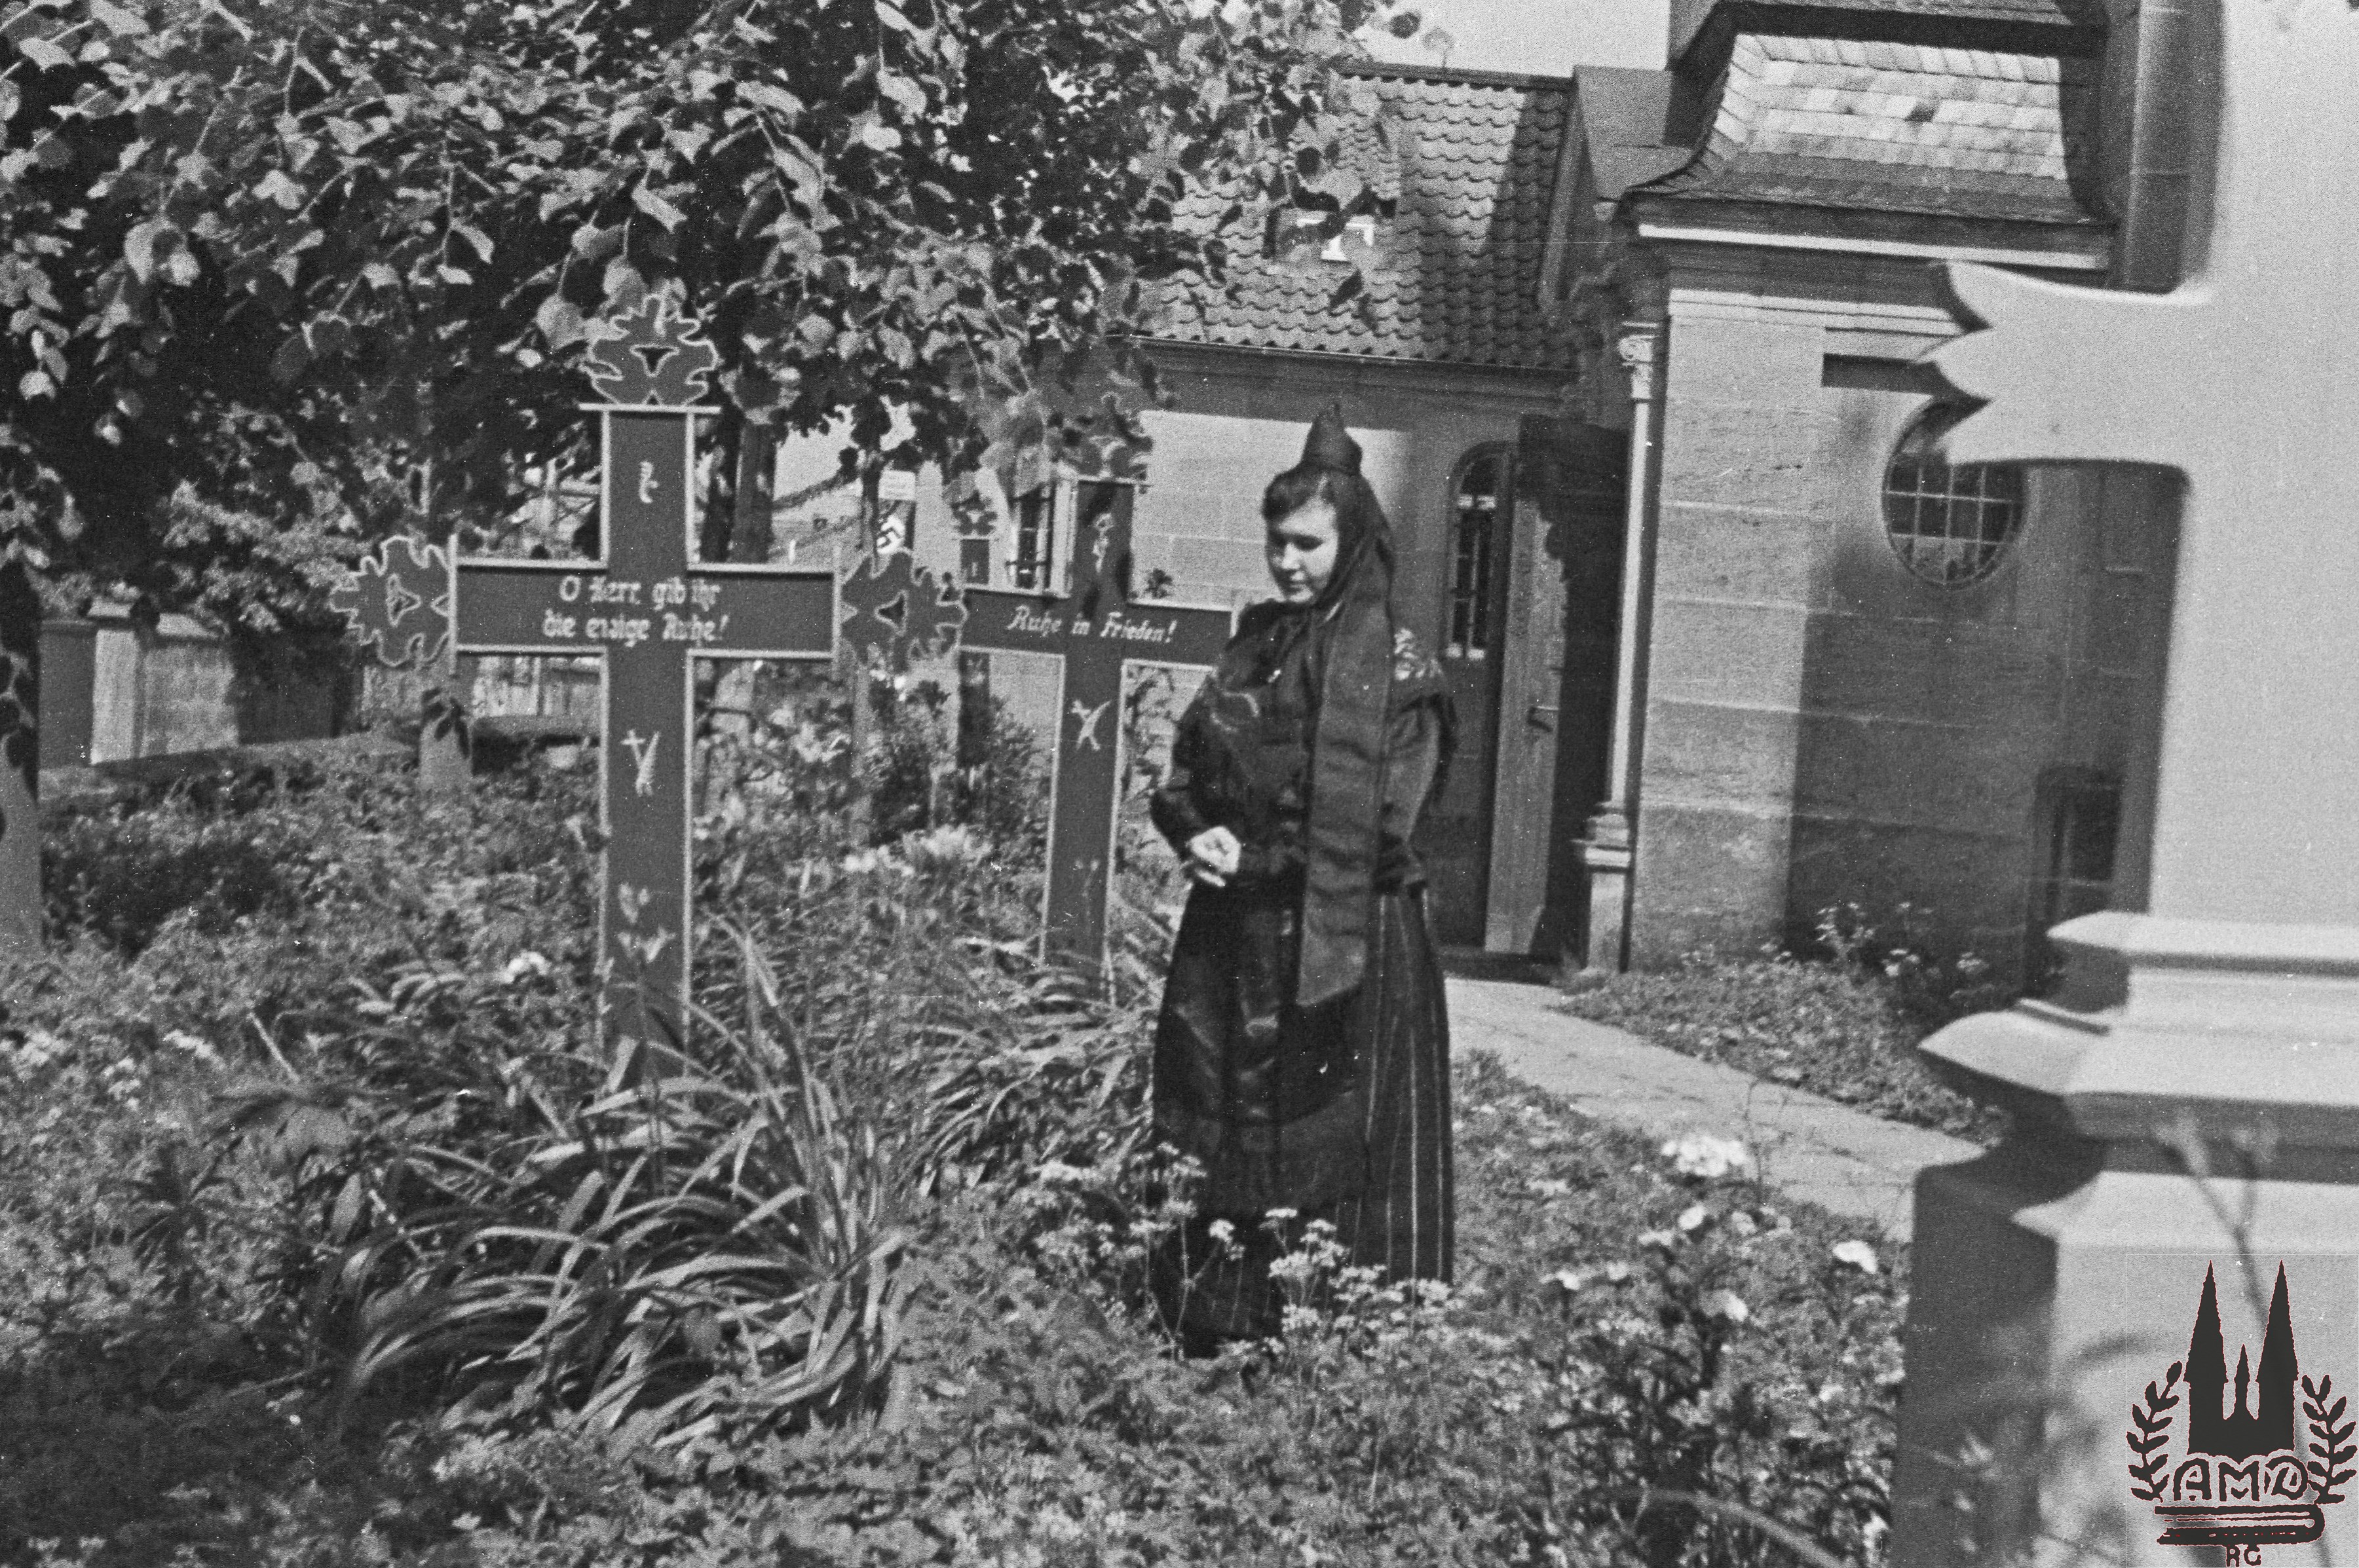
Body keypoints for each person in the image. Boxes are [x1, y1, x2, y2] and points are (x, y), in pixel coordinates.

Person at [1147, 405, 1457, 1346]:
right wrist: (1196, 833)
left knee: (1340, 1122)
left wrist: (1260, 862)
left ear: (1351, 541)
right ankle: (1216, 1318)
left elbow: (1380, 826)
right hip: (1232, 934)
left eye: (1308, 546)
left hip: (1347, 937)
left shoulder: (1395, 667)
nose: (1287, 563)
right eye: (1276, 543)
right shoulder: (1253, 646)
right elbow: (1186, 770)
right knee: (1224, 1109)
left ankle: (1343, 1329)